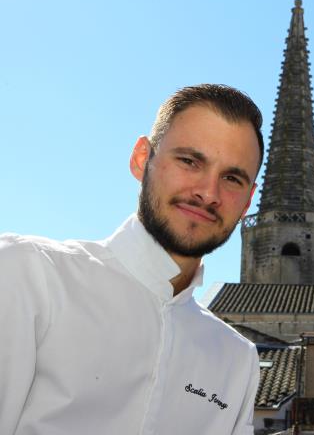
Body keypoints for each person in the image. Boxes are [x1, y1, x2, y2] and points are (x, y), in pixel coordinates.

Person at [0, 84, 264, 434]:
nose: (208, 192)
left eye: (232, 178)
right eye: (189, 161)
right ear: (142, 159)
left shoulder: (238, 360)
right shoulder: (26, 276)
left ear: (247, 203)